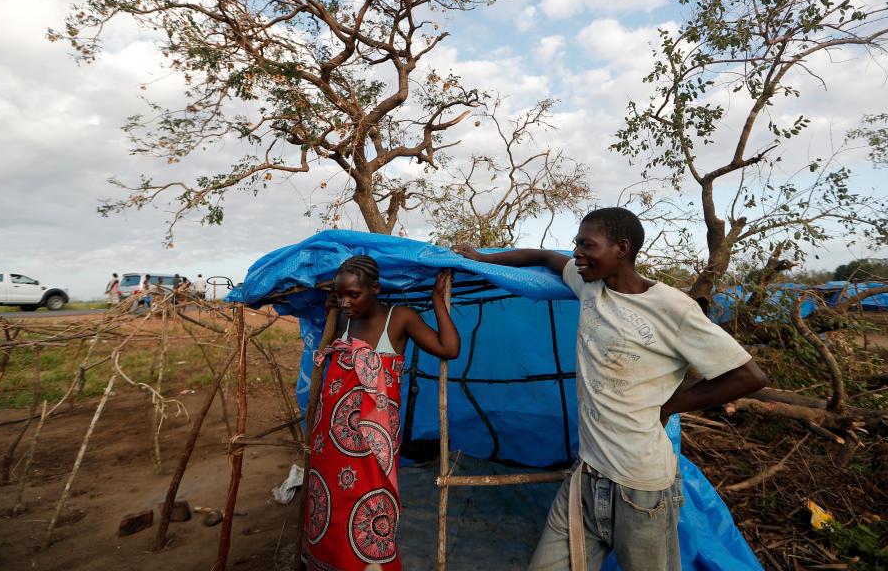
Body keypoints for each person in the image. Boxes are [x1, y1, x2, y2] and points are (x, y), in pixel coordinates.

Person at [453, 207, 768, 571]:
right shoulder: (589, 286)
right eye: (577, 245)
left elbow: (749, 376)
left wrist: (670, 405)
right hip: (587, 476)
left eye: (588, 245)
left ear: (621, 248)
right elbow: (542, 257)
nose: (577, 253)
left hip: (642, 487)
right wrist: (481, 257)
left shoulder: (671, 308)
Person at [304, 255, 460, 571]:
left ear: (375, 288)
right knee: (328, 498)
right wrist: (330, 311)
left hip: (373, 439)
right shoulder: (345, 320)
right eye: (341, 294)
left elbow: (450, 348)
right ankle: (329, 561)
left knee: (370, 504)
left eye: (354, 294)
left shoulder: (399, 318)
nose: (346, 302)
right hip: (330, 438)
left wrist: (436, 301)